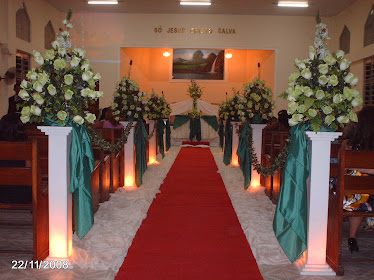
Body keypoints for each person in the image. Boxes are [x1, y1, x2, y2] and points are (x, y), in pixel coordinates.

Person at [340, 106, 374, 253]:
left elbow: (341, 167)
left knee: (358, 194)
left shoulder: (348, 145)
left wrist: (358, 168)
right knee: (363, 195)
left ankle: (352, 236)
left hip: (350, 200)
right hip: (371, 200)